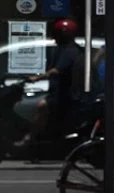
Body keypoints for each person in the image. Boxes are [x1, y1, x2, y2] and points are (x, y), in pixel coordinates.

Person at [15, 18, 83, 151]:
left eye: (57, 34)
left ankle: (31, 138)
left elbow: (57, 70)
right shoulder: (62, 49)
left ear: (65, 34)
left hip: (66, 95)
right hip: (59, 92)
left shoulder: (70, 51)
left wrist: (37, 77)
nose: (54, 37)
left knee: (42, 106)